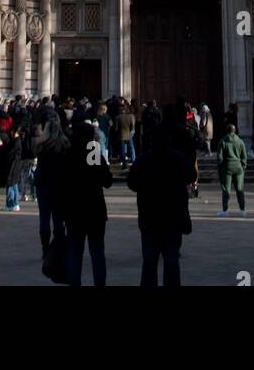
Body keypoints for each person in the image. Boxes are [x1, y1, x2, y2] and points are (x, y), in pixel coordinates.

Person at [128, 115, 196, 287]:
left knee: (149, 262)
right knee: (172, 261)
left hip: (149, 218)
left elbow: (132, 183)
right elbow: (192, 175)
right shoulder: (177, 158)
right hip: (173, 218)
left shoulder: (143, 160)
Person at [62, 122, 113, 286]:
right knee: (97, 252)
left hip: (74, 211)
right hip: (94, 210)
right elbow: (107, 181)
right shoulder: (94, 154)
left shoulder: (68, 154)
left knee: (75, 254)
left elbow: (60, 183)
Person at [34, 115, 69, 256]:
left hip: (43, 183)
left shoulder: (40, 145)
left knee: (44, 217)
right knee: (58, 218)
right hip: (59, 184)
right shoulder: (65, 146)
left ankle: (45, 248)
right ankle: (58, 247)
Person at [216, 122, 248, 216]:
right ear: (235, 131)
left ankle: (225, 210)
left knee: (226, 189)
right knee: (240, 189)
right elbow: (244, 156)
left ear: (227, 131)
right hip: (238, 167)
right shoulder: (240, 141)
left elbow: (219, 157)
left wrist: (221, 166)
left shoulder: (222, 141)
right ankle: (242, 210)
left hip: (227, 167)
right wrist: (243, 166)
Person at [116, 99, 136, 169]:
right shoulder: (130, 116)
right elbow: (132, 126)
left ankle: (124, 163)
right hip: (129, 134)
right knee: (131, 147)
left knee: (122, 150)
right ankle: (134, 160)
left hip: (121, 134)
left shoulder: (118, 117)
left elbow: (116, 128)